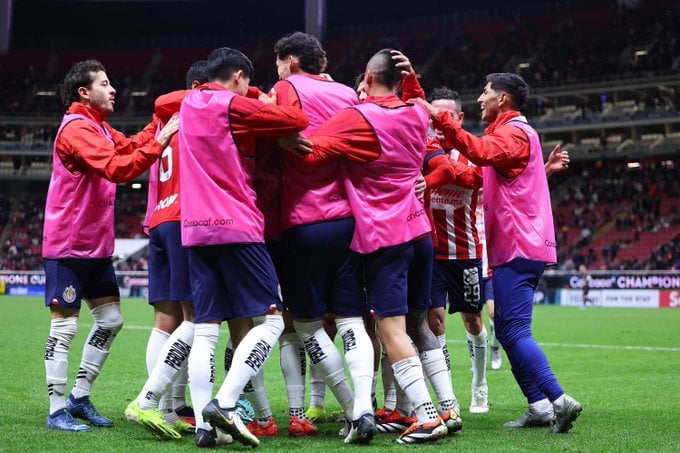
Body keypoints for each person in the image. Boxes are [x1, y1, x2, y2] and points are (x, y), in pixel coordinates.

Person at [281, 48, 450, 445]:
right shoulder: (415, 112)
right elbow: (416, 102)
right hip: (418, 230)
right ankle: (441, 407)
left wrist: (281, 140)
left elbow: (311, 154)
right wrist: (412, 80)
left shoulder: (359, 118)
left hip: (383, 236)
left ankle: (428, 416)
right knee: (418, 325)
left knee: (390, 330)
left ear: (368, 78)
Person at [419, 72, 582, 434]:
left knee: (515, 331)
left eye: (486, 92)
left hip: (516, 247)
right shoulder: (515, 135)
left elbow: (478, 152)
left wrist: (438, 116)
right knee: (507, 333)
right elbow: (505, 179)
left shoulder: (512, 133)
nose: (481, 98)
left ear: (503, 98)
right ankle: (539, 406)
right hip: (516, 246)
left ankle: (559, 400)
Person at [178, 47, 309, 448]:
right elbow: (297, 119)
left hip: (195, 231)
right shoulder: (235, 105)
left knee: (205, 331)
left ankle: (205, 426)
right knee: (271, 321)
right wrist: (264, 101)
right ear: (238, 76)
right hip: (237, 226)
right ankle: (228, 402)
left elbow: (163, 100)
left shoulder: (186, 104)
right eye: (247, 81)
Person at [42, 59, 178, 432]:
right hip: (68, 247)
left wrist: (160, 120)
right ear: (84, 92)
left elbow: (132, 145)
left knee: (112, 320)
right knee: (65, 328)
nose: (113, 88)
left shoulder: (99, 128)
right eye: (105, 83)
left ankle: (79, 398)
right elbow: (119, 169)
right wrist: (164, 139)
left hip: (96, 247)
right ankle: (56, 411)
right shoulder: (76, 129)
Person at [271, 31, 376, 444]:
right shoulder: (349, 97)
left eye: (279, 61)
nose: (277, 69)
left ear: (291, 61)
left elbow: (274, 129)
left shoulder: (286, 87)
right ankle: (366, 406)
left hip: (303, 222)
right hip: (349, 221)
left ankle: (353, 409)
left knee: (308, 325)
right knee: (352, 320)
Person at [124, 60, 209, 440]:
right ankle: (152, 400)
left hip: (157, 220)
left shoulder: (163, 122)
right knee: (196, 318)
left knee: (165, 321)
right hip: (183, 219)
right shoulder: (199, 113)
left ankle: (169, 409)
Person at [422, 87, 489, 414]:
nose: (437, 120)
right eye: (433, 114)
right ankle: (447, 395)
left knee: (473, 322)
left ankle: (479, 384)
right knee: (434, 323)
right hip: (431, 254)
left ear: (459, 118)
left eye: (444, 115)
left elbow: (473, 179)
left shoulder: (474, 154)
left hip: (465, 253)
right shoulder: (420, 148)